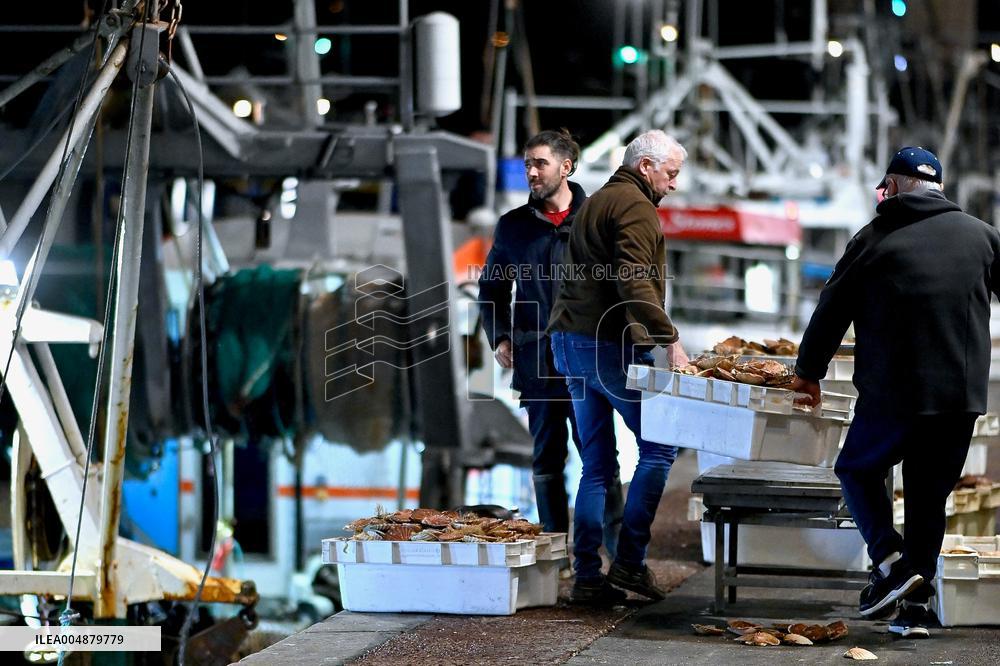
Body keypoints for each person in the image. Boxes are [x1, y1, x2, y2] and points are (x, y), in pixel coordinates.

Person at [791, 146, 1000, 638]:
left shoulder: (874, 238)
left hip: (894, 392)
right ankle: (914, 612)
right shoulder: (984, 237)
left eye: (884, 187)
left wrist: (808, 371)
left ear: (898, 185)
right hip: (960, 397)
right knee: (929, 497)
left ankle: (890, 563)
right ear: (939, 188)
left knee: (856, 470)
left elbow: (831, 309)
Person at [548, 129, 690, 604]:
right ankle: (629, 563)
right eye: (670, 174)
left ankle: (587, 575)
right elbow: (633, 279)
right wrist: (670, 340)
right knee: (660, 446)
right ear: (646, 166)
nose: (673, 185)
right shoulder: (633, 206)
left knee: (597, 465)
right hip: (607, 346)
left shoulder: (596, 201)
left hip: (568, 343)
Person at [478, 129, 624, 555]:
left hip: (588, 358)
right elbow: (491, 288)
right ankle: (556, 551)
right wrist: (500, 336)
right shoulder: (514, 228)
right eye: (527, 164)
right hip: (536, 359)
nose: (531, 172)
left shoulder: (596, 219)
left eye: (539, 163)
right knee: (546, 457)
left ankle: (616, 552)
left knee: (599, 456)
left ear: (566, 166)